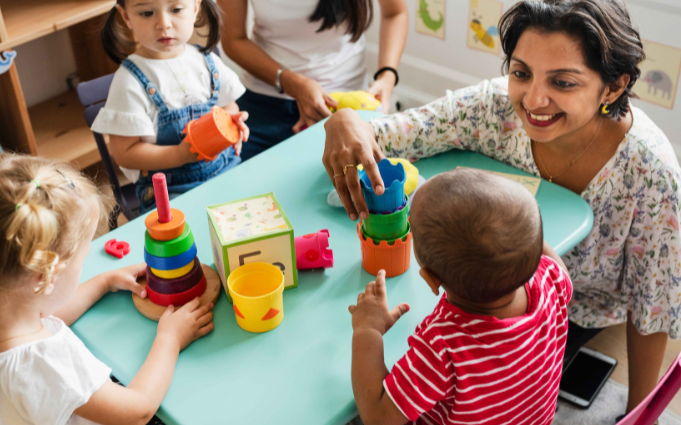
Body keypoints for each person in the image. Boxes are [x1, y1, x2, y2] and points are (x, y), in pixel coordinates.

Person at [325, 0, 680, 416]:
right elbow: (396, 134)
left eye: (563, 82)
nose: (533, 100)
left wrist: (640, 413)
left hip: (573, 312)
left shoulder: (652, 172)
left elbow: (652, 306)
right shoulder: (492, 108)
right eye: (521, 73)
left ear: (613, 87)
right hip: (480, 286)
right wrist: (345, 121)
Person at [0, 150, 214, 425]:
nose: (85, 266)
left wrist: (103, 282)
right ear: (45, 277)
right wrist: (170, 339)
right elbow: (137, 409)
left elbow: (42, 318)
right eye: (83, 260)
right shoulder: (47, 365)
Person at [350, 169, 572, 425]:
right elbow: (548, 258)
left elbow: (378, 417)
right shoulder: (551, 280)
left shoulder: (442, 347)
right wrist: (518, 231)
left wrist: (368, 330)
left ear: (432, 280)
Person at [93, 0, 249, 212]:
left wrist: (232, 124)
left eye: (175, 10)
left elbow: (230, 107)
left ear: (195, 8)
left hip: (225, 169)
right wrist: (179, 154)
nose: (163, 24)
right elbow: (125, 154)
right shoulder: (129, 82)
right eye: (147, 13)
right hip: (170, 192)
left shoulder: (206, 61)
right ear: (126, 16)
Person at [219, 0, 409, 160]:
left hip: (344, 105)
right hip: (263, 104)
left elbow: (395, 13)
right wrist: (293, 83)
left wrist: (387, 75)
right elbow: (233, 39)